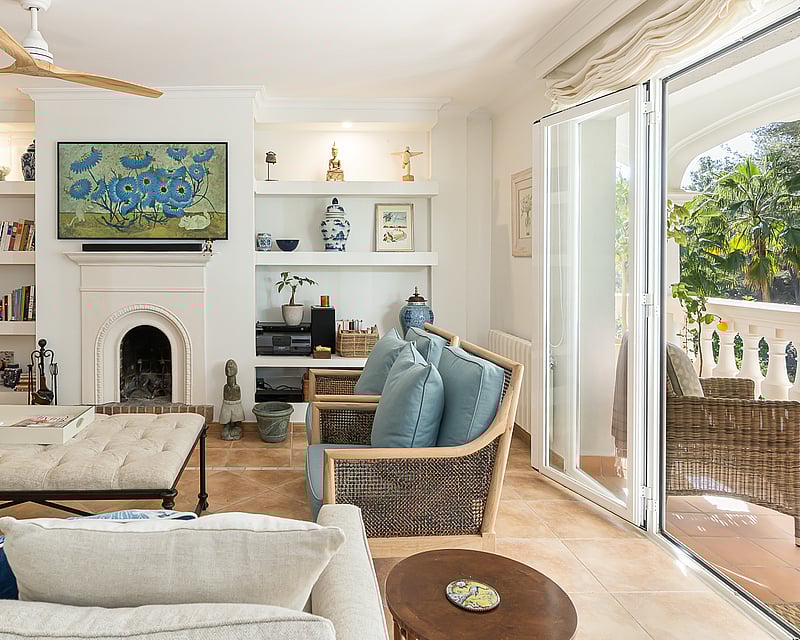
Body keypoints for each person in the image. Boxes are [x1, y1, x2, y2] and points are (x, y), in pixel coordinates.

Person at [220, 359, 245, 440]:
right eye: (227, 368)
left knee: (236, 418)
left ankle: (236, 426)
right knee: (224, 434)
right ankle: (227, 426)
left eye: (230, 368)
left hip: (235, 404)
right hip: (227, 404)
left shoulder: (237, 387)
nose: (228, 370)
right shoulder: (225, 387)